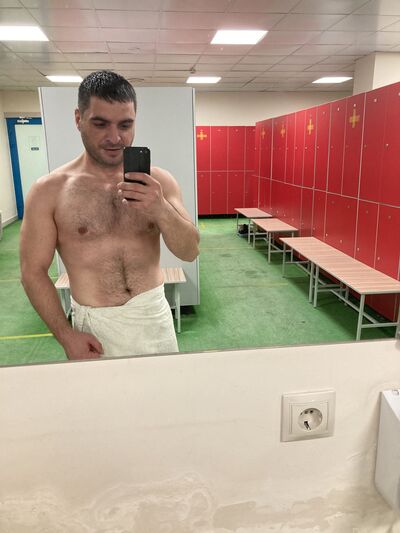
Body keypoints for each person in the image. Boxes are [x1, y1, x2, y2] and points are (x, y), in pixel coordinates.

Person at [20, 70, 200, 360]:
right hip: (96, 328)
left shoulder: (160, 183)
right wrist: (66, 336)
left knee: (165, 390)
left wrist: (160, 209)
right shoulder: (49, 191)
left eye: (125, 125)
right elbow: (32, 272)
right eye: (100, 124)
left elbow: (190, 251)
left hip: (154, 318)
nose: (115, 138)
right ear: (78, 119)